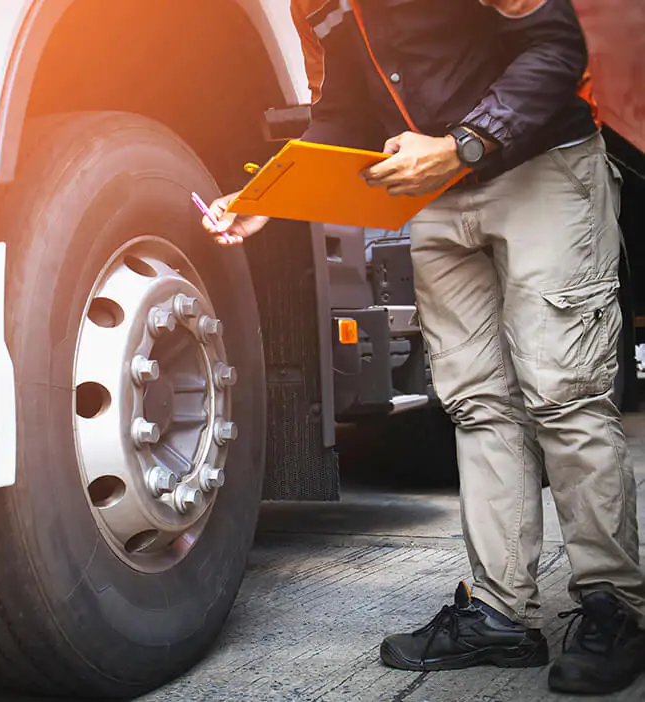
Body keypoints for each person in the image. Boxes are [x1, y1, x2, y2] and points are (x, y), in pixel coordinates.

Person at [202, 0, 645, 695]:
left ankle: (615, 607)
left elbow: (556, 47)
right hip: (437, 193)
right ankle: (502, 614)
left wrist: (464, 144)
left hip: (541, 171)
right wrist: (271, 193)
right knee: (477, 404)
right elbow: (345, 104)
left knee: (564, 394)